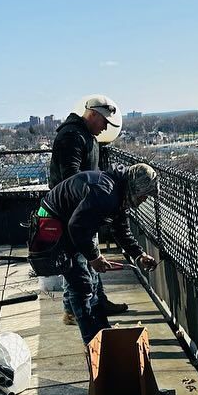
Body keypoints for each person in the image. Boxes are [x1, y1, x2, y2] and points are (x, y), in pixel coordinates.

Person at [37, 164, 159, 344]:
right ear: (135, 187)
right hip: (54, 223)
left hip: (68, 222)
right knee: (82, 283)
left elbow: (120, 228)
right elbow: (76, 226)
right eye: (144, 195)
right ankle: (93, 341)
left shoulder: (118, 191)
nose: (144, 200)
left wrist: (139, 255)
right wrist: (94, 257)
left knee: (89, 281)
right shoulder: (105, 194)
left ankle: (101, 334)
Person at [48, 95, 126, 325]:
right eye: (104, 122)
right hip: (72, 210)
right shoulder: (72, 136)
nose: (105, 128)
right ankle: (75, 310)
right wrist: (90, 201)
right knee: (78, 263)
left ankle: (96, 301)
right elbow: (71, 178)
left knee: (89, 257)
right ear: (93, 114)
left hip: (81, 207)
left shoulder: (85, 136)